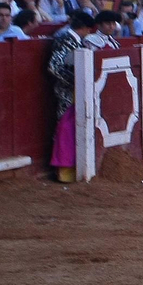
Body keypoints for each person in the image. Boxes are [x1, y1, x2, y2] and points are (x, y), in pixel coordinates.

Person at [46, 11, 95, 182]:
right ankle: (63, 172)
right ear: (86, 29)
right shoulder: (66, 40)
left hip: (74, 91)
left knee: (71, 129)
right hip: (67, 92)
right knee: (66, 130)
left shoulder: (72, 39)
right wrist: (77, 82)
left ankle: (71, 170)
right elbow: (54, 66)